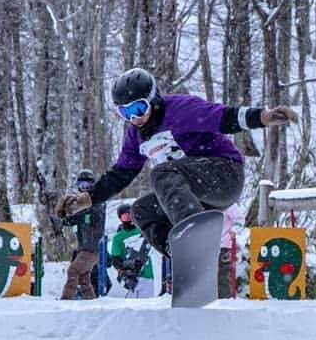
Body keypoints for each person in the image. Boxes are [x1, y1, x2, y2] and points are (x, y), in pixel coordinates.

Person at [54, 68, 298, 271]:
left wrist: (263, 117)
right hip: (195, 196)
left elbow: (225, 117)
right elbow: (121, 174)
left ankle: (193, 236)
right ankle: (182, 254)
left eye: (137, 109)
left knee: (161, 173)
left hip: (224, 175)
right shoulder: (134, 136)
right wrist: (87, 198)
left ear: (152, 100)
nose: (133, 118)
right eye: (124, 112)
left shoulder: (181, 109)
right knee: (142, 210)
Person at [56, 168, 106, 300]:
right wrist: (63, 220)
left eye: (87, 186)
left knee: (73, 271)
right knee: (84, 277)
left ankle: (66, 299)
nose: (84, 189)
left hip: (92, 248)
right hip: (84, 248)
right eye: (81, 186)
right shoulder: (82, 207)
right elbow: (76, 219)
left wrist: (71, 211)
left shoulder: (97, 202)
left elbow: (86, 213)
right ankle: (90, 300)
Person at [108, 203, 154, 298]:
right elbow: (116, 261)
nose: (129, 220)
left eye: (131, 215)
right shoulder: (118, 237)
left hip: (149, 276)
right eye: (125, 217)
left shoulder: (144, 229)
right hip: (132, 278)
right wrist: (129, 264)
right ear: (121, 219)